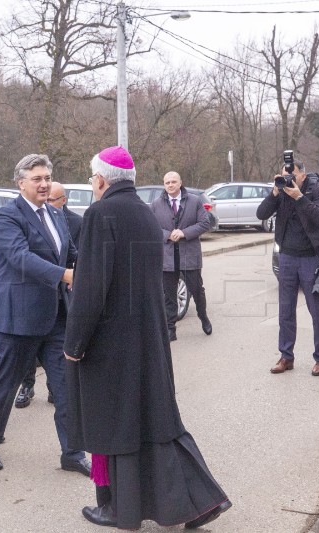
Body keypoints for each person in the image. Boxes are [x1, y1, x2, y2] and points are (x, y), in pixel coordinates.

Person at [63, 146, 230, 530]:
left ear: (101, 179)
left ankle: (119, 508)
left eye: (92, 177)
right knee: (154, 419)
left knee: (116, 423)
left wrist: (74, 345)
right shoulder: (143, 211)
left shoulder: (101, 213)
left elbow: (90, 289)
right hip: (147, 335)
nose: (91, 184)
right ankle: (196, 501)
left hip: (111, 341)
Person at [0, 154, 89, 476]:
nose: (44, 183)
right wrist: (65, 275)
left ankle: (72, 452)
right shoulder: (8, 216)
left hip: (55, 318)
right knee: (6, 383)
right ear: (20, 183)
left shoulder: (56, 215)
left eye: (47, 178)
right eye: (37, 178)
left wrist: (90, 267)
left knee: (66, 387)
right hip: (20, 318)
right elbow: (19, 257)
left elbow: (71, 252)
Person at [256, 158, 319, 376]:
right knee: (285, 309)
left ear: (303, 176)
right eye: (285, 175)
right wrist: (275, 193)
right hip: (287, 257)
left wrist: (298, 196)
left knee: (316, 310)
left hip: (311, 257)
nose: (289, 178)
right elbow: (261, 214)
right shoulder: (280, 191)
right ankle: (286, 357)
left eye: (293, 175)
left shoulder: (317, 190)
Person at [15, 181, 82, 408]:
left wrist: (80, 276)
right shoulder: (16, 217)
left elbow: (76, 254)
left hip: (58, 303)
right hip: (30, 302)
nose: (49, 202)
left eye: (54, 199)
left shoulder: (70, 221)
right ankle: (27, 387)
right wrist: (64, 274)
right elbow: (22, 258)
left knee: (60, 373)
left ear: (63, 201)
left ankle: (57, 393)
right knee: (22, 362)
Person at [150, 171, 213, 340]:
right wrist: (167, 235)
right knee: (169, 295)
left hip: (189, 255)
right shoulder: (156, 204)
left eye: (173, 182)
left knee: (197, 291)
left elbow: (205, 223)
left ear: (180, 183)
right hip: (167, 257)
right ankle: (170, 328)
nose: (170, 185)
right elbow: (152, 227)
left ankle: (203, 317)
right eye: (167, 182)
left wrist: (184, 233)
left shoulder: (194, 201)